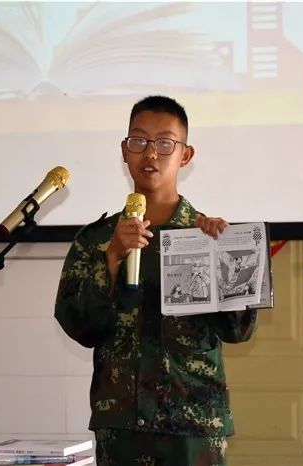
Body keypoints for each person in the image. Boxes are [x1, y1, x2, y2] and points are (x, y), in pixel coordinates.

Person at [54, 95, 258, 466]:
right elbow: (79, 326)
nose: (150, 154)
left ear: (185, 155)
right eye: (139, 141)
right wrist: (112, 259)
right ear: (124, 150)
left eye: (165, 143)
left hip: (193, 423)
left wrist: (224, 258)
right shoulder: (96, 240)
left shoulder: (210, 237)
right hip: (122, 424)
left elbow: (238, 330)